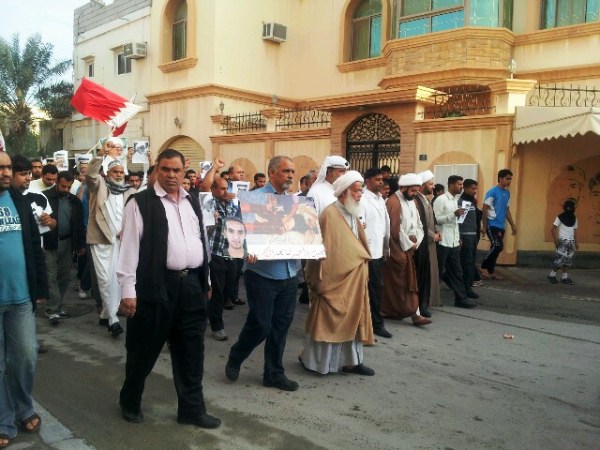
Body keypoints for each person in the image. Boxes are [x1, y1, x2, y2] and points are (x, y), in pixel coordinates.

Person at [117, 148, 219, 429]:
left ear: (185, 171)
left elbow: (202, 242)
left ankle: (191, 410)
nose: (171, 175)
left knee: (191, 352)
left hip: (192, 287)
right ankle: (130, 400)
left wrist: (207, 280)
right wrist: (128, 291)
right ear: (157, 170)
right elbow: (129, 248)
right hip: (155, 287)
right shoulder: (140, 203)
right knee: (143, 350)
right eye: (165, 169)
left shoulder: (193, 202)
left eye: (176, 170)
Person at [225, 155, 300, 392]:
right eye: (286, 171)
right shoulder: (253, 199)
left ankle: (274, 374)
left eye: (292, 172)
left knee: (280, 327)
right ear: (272, 173)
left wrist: (312, 247)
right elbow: (234, 232)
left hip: (289, 274)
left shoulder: (295, 201)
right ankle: (237, 355)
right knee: (260, 324)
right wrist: (247, 250)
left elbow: (299, 232)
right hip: (262, 275)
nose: (290, 175)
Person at [300, 171, 375, 375]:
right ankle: (317, 364)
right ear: (343, 193)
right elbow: (322, 252)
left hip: (354, 280)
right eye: (356, 191)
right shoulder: (329, 215)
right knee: (329, 321)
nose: (360, 195)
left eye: (361, 191)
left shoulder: (352, 213)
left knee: (354, 319)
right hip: (334, 281)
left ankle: (353, 362)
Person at [0, 152, 49, 447]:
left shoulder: (19, 201)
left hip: (20, 298)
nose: (6, 172)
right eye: (0, 168)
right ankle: (3, 419)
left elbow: (34, 245)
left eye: (8, 167)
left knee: (25, 357)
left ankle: (23, 407)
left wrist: (40, 288)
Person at [87, 157, 136, 337]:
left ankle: (105, 314)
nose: (118, 175)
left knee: (116, 279)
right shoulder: (99, 184)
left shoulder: (129, 190)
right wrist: (101, 154)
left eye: (121, 172)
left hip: (121, 241)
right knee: (104, 280)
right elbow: (90, 175)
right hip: (101, 239)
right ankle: (113, 319)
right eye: (115, 171)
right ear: (108, 173)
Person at [381, 174, 432, 326]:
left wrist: (418, 240)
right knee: (404, 284)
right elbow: (394, 230)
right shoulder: (394, 202)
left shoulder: (412, 201)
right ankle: (414, 314)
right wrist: (409, 244)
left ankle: (394, 311)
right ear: (403, 188)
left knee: (405, 283)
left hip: (409, 248)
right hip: (397, 249)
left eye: (416, 191)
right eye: (412, 191)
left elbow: (419, 224)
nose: (415, 194)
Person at [42, 171, 85, 324]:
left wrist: (80, 245)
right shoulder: (45, 197)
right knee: (50, 276)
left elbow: (79, 224)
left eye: (68, 187)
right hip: (49, 242)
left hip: (68, 242)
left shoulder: (74, 201)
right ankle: (52, 309)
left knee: (64, 276)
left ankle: (57, 307)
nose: (66, 189)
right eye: (63, 186)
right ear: (57, 183)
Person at [206, 177, 243, 341]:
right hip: (215, 253)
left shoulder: (232, 205)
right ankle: (217, 325)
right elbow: (205, 230)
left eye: (226, 188)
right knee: (217, 290)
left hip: (230, 252)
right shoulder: (209, 204)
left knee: (229, 289)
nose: (225, 192)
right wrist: (212, 222)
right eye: (221, 189)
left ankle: (210, 313)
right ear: (213, 189)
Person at [433, 175, 478, 308]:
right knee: (438, 270)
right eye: (459, 184)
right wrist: (453, 214)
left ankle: (461, 298)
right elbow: (436, 220)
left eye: (461, 184)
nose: (461, 187)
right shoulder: (441, 200)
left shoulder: (455, 200)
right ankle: (431, 298)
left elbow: (456, 223)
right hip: (442, 240)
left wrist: (458, 238)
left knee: (457, 271)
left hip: (453, 241)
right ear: (451, 185)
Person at [361, 168, 391, 338]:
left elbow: (384, 226)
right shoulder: (362, 199)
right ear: (368, 181)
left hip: (379, 251)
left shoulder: (380, 199)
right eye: (377, 179)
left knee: (377, 288)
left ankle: (375, 322)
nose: (381, 182)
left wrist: (386, 248)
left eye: (382, 180)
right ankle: (375, 324)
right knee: (372, 290)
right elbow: (361, 227)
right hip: (368, 253)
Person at [481, 169, 517, 280]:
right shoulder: (492, 192)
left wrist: (513, 225)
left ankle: (491, 271)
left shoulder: (507, 193)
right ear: (500, 178)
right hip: (491, 224)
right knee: (498, 246)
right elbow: (484, 208)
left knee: (495, 248)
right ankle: (483, 267)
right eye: (507, 178)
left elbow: (506, 210)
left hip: (501, 226)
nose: (509, 181)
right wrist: (484, 225)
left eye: (510, 179)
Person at [414, 170, 441, 317]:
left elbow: (431, 221)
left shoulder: (425, 200)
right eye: (430, 184)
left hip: (430, 242)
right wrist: (432, 235)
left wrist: (437, 232)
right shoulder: (416, 201)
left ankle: (427, 302)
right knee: (423, 275)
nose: (433, 186)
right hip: (423, 243)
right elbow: (420, 224)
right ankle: (420, 305)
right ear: (422, 185)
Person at [548, 199, 578, 285]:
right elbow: (553, 229)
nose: (569, 209)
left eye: (570, 208)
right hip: (562, 242)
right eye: (568, 208)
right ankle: (551, 275)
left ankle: (564, 278)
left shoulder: (574, 219)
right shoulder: (560, 217)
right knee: (559, 261)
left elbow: (575, 231)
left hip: (571, 242)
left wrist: (576, 243)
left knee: (568, 262)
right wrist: (556, 241)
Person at [458, 179, 481, 296]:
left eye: (476, 188)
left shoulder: (471, 201)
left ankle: (468, 287)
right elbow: (459, 221)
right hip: (466, 237)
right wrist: (459, 237)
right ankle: (466, 289)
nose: (475, 191)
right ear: (465, 188)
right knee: (466, 263)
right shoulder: (463, 202)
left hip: (473, 236)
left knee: (471, 263)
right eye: (472, 188)